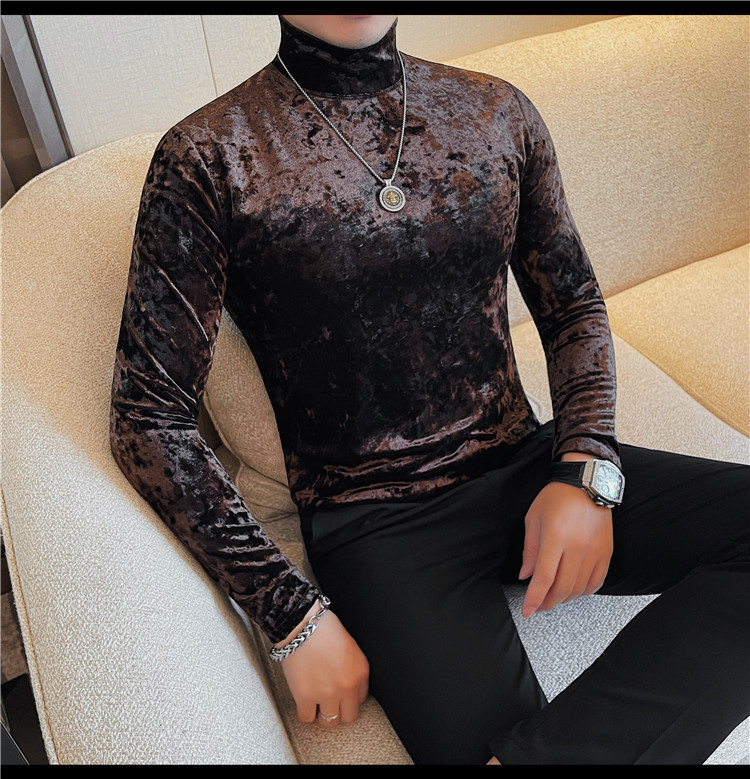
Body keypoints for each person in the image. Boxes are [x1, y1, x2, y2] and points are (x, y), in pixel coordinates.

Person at [109, 14, 750, 764]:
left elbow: (573, 304)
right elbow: (147, 418)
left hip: (528, 466)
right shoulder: (208, 155)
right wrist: (291, 616)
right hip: (380, 526)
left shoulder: (495, 112)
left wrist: (586, 465)